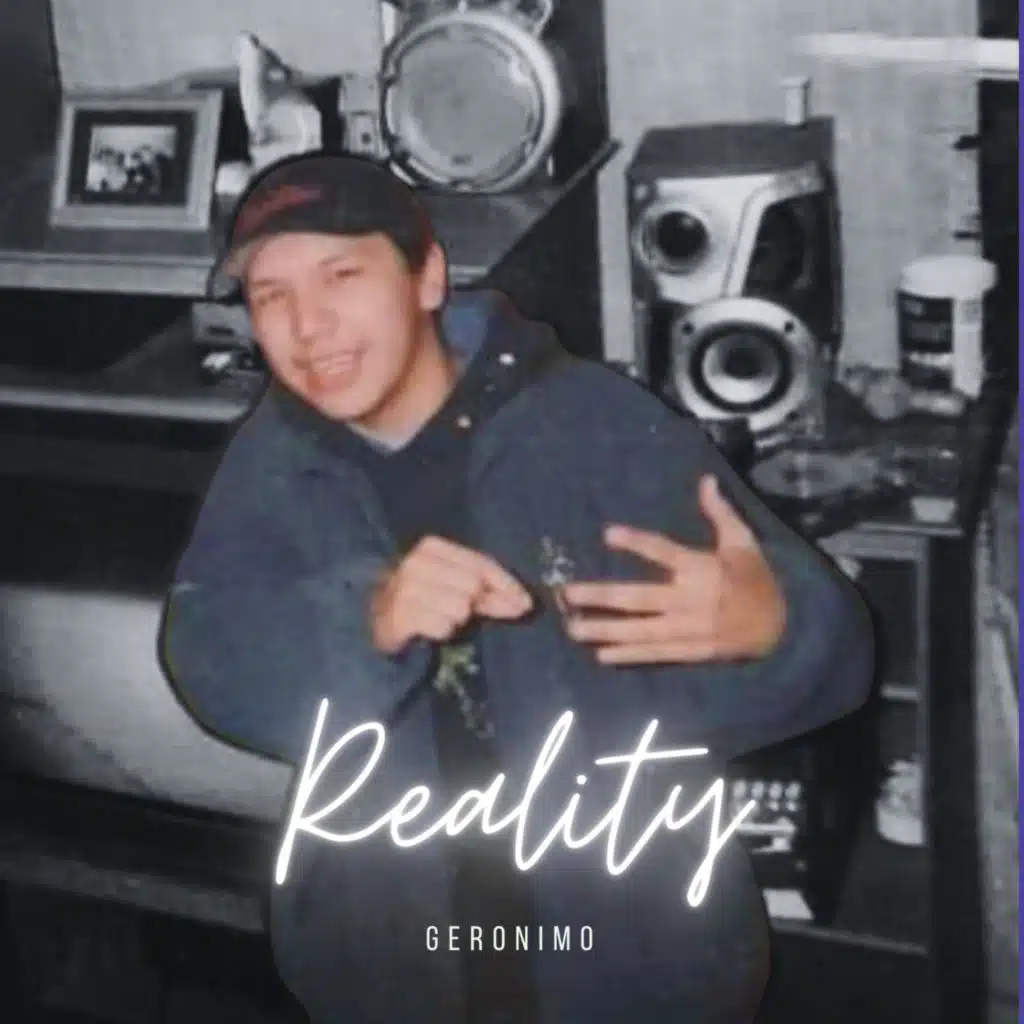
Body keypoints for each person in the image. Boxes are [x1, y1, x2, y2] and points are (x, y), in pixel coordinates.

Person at [160, 151, 874, 1024]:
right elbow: (210, 662)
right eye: (271, 296)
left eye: (342, 275)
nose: (308, 326)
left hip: (630, 969)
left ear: (427, 277)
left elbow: (840, 655)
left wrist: (774, 626)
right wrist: (366, 618)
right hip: (387, 970)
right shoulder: (272, 460)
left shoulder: (595, 422)